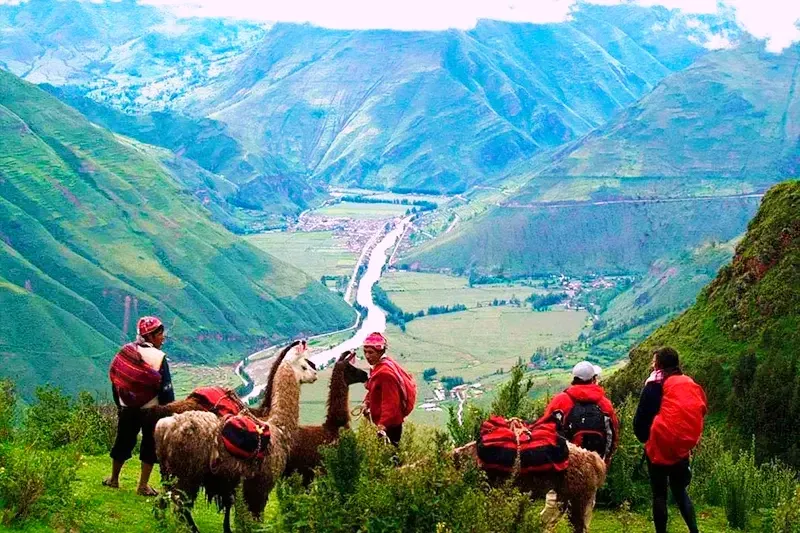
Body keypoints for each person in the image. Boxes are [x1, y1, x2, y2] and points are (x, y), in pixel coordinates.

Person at [539, 361, 619, 531]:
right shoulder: (604, 405)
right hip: (590, 467)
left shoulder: (561, 401)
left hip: (562, 467)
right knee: (583, 515)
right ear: (594, 379)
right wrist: (604, 463)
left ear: (574, 379)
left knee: (551, 512)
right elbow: (612, 437)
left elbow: (545, 431)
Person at [634, 347, 707, 533]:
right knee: (680, 492)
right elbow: (701, 409)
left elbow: (641, 419)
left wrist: (646, 438)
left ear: (658, 365)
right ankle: (694, 530)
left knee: (659, 495)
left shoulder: (653, 386)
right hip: (681, 448)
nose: (652, 364)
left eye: (654, 362)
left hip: (658, 446)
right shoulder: (688, 383)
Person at [104, 316, 175, 496]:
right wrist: (169, 412)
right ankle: (143, 485)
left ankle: (114, 478)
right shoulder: (159, 358)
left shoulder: (126, 352)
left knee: (123, 440)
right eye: (159, 335)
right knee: (150, 445)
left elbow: (116, 381)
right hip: (151, 410)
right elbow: (166, 390)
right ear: (150, 336)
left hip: (126, 406)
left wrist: (120, 405)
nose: (162, 338)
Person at [362, 332, 416, 446]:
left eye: (371, 352)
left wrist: (382, 425)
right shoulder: (381, 365)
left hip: (390, 425)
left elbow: (391, 402)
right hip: (390, 422)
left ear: (380, 351)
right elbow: (375, 390)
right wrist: (367, 402)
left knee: (389, 457)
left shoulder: (385, 373)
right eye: (365, 352)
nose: (367, 356)